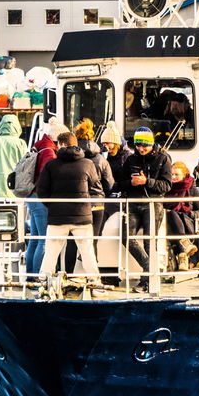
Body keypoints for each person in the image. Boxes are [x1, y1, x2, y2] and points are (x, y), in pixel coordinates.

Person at [34, 131, 105, 294]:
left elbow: (41, 189)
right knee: (87, 251)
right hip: (82, 216)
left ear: (62, 145)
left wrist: (52, 206)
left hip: (57, 216)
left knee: (51, 252)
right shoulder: (88, 164)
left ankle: (44, 283)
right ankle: (95, 284)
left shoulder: (51, 164)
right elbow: (96, 188)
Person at [120, 125, 172, 292]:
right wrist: (131, 183)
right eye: (138, 145)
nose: (141, 149)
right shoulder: (130, 160)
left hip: (154, 204)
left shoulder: (163, 158)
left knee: (150, 243)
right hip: (133, 203)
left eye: (145, 145)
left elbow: (167, 186)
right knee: (126, 237)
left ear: (151, 144)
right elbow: (120, 183)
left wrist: (146, 182)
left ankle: (147, 281)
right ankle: (150, 270)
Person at [64, 119, 114, 272]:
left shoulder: (71, 157)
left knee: (72, 241)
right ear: (93, 138)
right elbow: (109, 184)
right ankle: (92, 277)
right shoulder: (101, 159)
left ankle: (68, 274)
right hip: (97, 204)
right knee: (92, 242)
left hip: (76, 204)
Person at [25, 116, 65, 280]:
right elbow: (46, 176)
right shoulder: (49, 151)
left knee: (35, 239)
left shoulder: (40, 145)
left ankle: (30, 274)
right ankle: (36, 277)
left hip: (32, 197)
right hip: (40, 198)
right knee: (43, 239)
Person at [165, 161, 199, 272]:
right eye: (171, 174)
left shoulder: (191, 189)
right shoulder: (166, 187)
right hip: (169, 222)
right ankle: (184, 248)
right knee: (171, 213)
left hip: (187, 221)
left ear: (184, 175)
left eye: (176, 174)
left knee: (173, 213)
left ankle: (184, 250)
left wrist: (190, 214)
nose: (173, 177)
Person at [0, 114, 27, 198]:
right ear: (17, 127)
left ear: (1, 126)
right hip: (14, 186)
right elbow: (25, 164)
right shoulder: (21, 143)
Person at [100, 120, 133, 198]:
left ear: (115, 144)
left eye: (108, 143)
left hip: (122, 193)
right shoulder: (102, 155)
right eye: (103, 144)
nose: (105, 146)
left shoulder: (126, 156)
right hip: (107, 193)